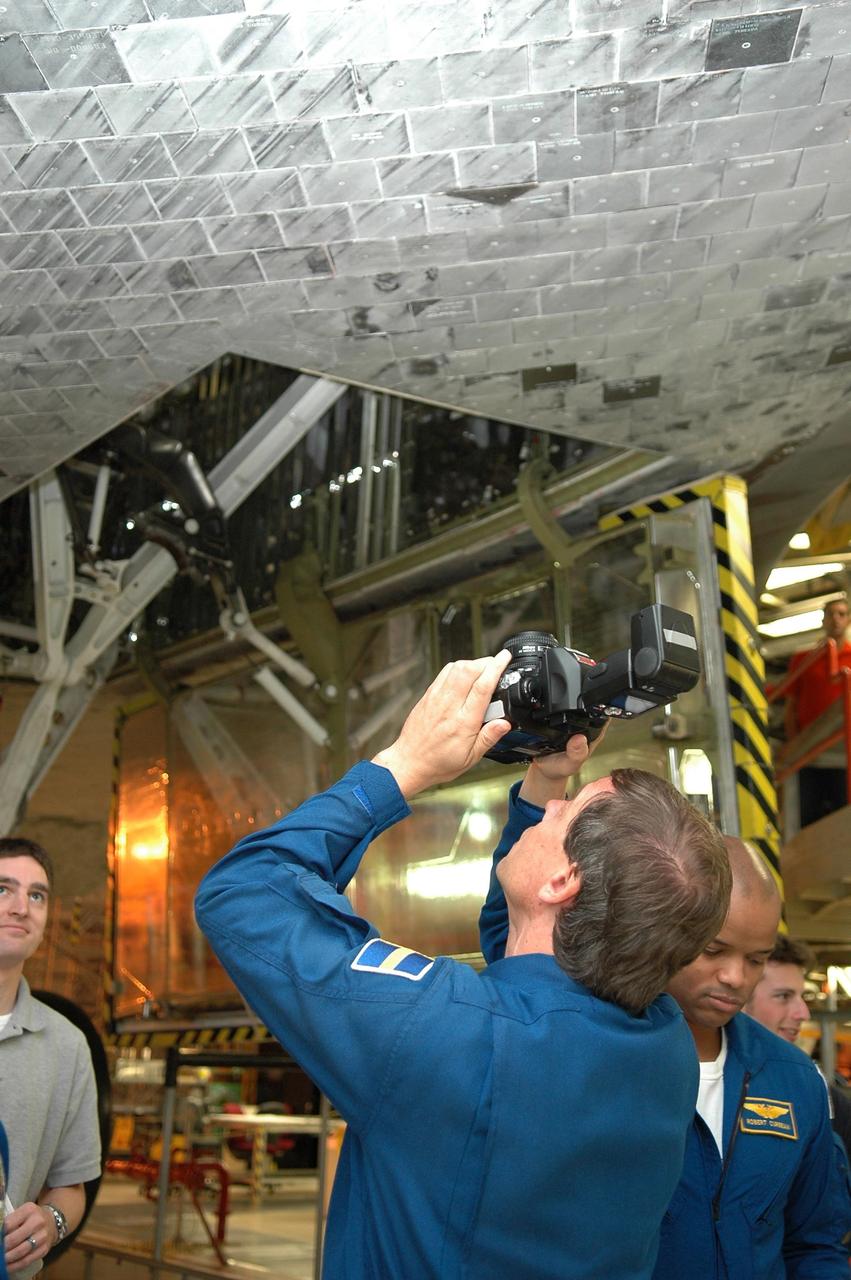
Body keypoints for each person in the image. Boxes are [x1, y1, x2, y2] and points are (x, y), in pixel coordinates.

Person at [196, 653, 731, 1280]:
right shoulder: (663, 1044)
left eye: (568, 811)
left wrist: (403, 765)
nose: (555, 811)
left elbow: (242, 893)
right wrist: (545, 784)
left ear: (563, 880)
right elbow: (533, 954)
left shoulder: (443, 1034)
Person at [655, 838, 851, 1278]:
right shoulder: (606, 1061)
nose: (734, 977)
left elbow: (816, 1244)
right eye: (712, 950)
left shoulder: (796, 1081)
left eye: (756, 960)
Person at [0, 838, 101, 1279]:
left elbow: (71, 1186)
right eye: (3, 889)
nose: (22, 906)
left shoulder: (67, 1045)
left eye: (36, 894)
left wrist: (51, 1222)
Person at [745, 934, 851, 1161]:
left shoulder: (823, 1098)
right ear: (739, 998)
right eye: (783, 996)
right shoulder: (696, 1083)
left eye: (801, 997)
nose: (803, 1013)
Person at [784, 597, 851, 826]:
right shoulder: (804, 659)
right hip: (809, 754)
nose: (836, 619)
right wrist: (795, 745)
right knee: (809, 817)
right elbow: (791, 706)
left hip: (845, 754)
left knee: (844, 816)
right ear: (823, 620)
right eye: (831, 614)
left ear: (848, 620)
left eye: (841, 614)